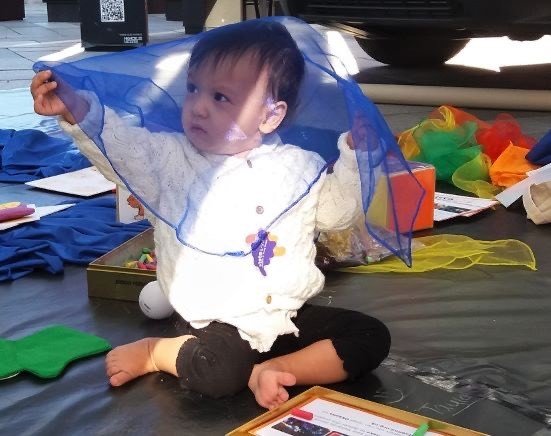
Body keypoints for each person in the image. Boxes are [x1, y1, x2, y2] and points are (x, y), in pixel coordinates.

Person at [30, 19, 390, 410]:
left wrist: (356, 154)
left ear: (270, 115)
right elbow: (121, 148)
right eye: (193, 89)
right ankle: (157, 352)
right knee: (218, 373)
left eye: (221, 97)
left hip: (283, 316)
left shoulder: (296, 166)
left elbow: (337, 213)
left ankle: (278, 368)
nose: (199, 106)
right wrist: (74, 111)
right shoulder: (172, 160)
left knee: (370, 336)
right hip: (219, 323)